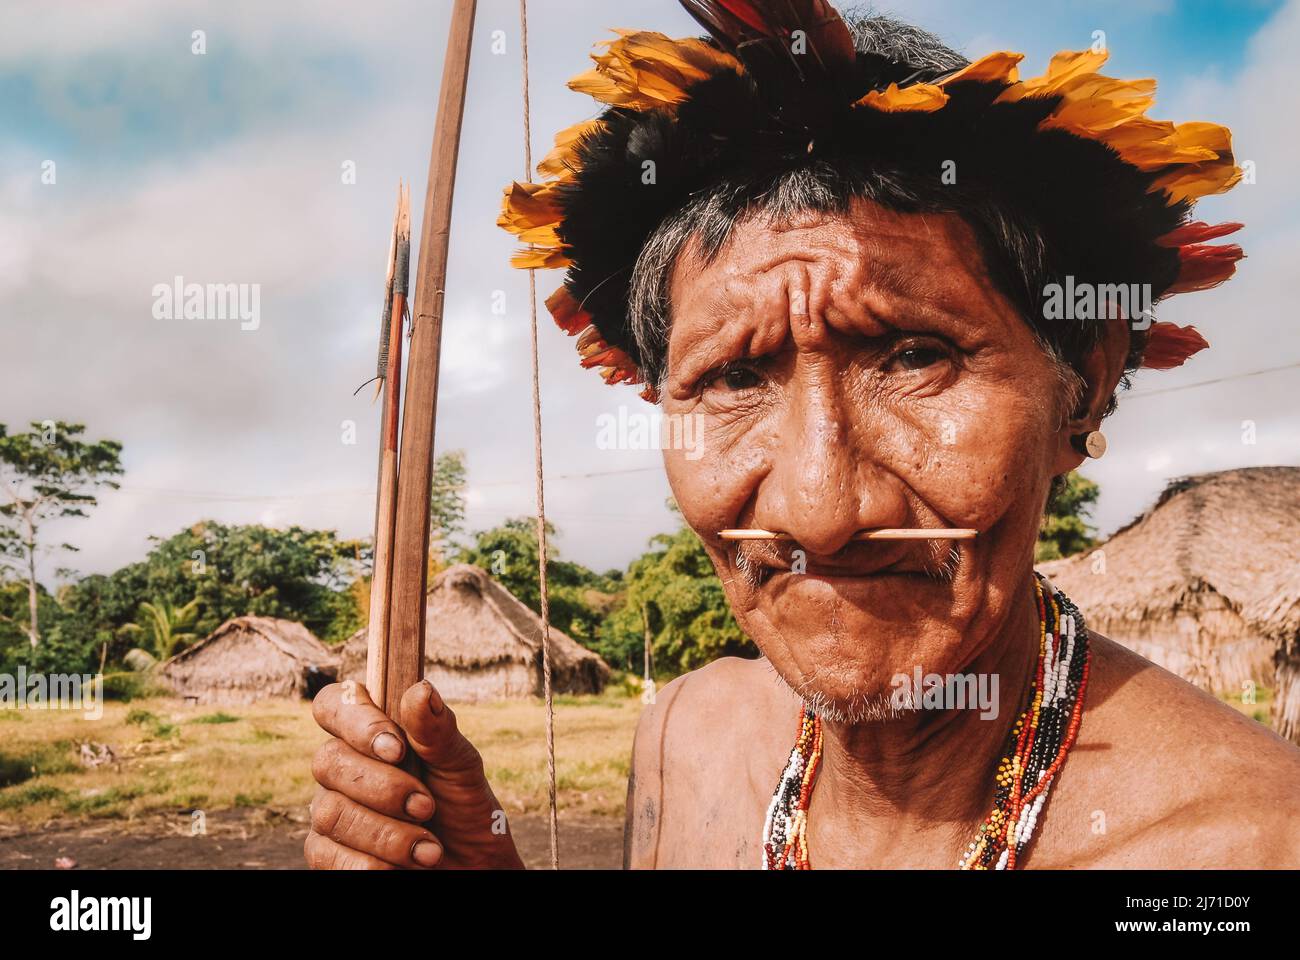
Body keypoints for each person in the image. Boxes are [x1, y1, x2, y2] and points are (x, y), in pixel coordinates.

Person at [305, 2, 1300, 870]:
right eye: (734, 378)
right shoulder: (683, 741)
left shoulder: (1250, 847)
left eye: (914, 356)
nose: (819, 512)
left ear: (1078, 384)